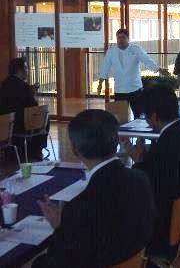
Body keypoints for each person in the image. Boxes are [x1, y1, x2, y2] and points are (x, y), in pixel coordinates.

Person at [33, 109, 155, 268]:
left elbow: (61, 261)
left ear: (75, 150)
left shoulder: (80, 207)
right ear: (117, 143)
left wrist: (60, 228)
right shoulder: (141, 178)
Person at [121, 84, 180, 261]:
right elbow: (159, 175)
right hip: (178, 226)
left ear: (154, 116)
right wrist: (141, 160)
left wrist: (138, 164)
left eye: (146, 116)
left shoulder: (164, 147)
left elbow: (145, 186)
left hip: (160, 231)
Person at [98, 28, 166, 117]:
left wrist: (158, 69)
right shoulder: (111, 51)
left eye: (123, 38)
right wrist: (100, 82)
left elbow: (146, 60)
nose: (120, 40)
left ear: (128, 38)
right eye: (118, 38)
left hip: (135, 88)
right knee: (121, 116)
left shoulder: (135, 49)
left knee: (139, 115)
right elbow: (105, 67)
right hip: (120, 89)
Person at [0, 57, 46, 161]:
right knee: (43, 117)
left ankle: (12, 152)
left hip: (5, 125)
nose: (27, 71)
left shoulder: (3, 84)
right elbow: (34, 106)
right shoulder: (24, 86)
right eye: (26, 68)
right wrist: (31, 94)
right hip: (21, 125)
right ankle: (35, 151)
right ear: (20, 70)